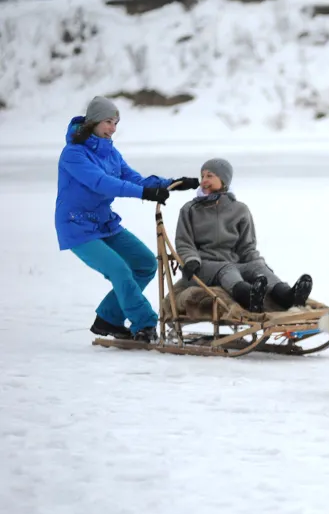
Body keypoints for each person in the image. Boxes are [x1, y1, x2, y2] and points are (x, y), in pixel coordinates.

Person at [56, 95, 200, 343]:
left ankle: (108, 318)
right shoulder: (73, 155)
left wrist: (172, 184)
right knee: (119, 269)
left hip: (104, 222)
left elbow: (134, 179)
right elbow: (102, 183)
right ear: (94, 122)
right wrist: (145, 193)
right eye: (109, 122)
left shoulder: (110, 152)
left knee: (145, 263)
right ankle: (144, 323)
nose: (113, 128)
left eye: (116, 123)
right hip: (76, 225)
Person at [175, 158, 312, 313]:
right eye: (203, 176)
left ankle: (287, 296)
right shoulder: (190, 210)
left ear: (223, 180)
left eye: (210, 176)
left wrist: (261, 267)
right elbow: (183, 242)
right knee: (227, 269)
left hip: (233, 264)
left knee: (255, 266)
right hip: (202, 267)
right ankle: (248, 296)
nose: (204, 181)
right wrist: (191, 260)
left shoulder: (239, 209)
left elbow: (247, 247)